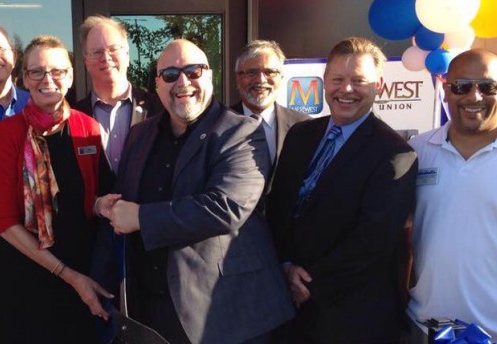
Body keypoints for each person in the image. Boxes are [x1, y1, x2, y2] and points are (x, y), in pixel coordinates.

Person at [99, 39, 294, 344]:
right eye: (171, 74)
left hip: (222, 313)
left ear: (210, 76)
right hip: (149, 310)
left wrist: (140, 217)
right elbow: (123, 199)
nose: (183, 82)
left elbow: (225, 207)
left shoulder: (240, 131)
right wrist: (104, 205)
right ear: (157, 84)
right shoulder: (140, 134)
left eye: (194, 71)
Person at [265, 37, 417, 343]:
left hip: (349, 319)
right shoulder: (300, 134)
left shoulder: (395, 154)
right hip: (286, 311)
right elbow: (278, 207)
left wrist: (308, 285)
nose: (346, 90)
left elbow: (372, 242)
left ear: (379, 84)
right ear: (324, 82)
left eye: (358, 80)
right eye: (337, 79)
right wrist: (284, 266)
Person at [0, 35, 112, 344]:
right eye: (37, 72)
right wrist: (70, 276)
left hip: (82, 279)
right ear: (24, 80)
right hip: (26, 282)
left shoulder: (88, 128)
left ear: (70, 76)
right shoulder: (8, 132)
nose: (48, 79)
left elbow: (92, 200)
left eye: (57, 71)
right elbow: (5, 223)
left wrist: (103, 206)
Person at [407, 49, 497, 344]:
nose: (474, 97)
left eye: (488, 87)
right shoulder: (416, 151)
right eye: (461, 86)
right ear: (446, 90)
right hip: (426, 329)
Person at [74, 15, 162, 173]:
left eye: (113, 49)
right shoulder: (73, 118)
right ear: (85, 61)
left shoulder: (159, 108)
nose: (106, 58)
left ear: (127, 55)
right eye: (96, 52)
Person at [230, 40, 311, 171]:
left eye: (270, 72)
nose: (261, 80)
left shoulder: (304, 126)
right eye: (251, 72)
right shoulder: (218, 124)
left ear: (281, 77)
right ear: (238, 78)